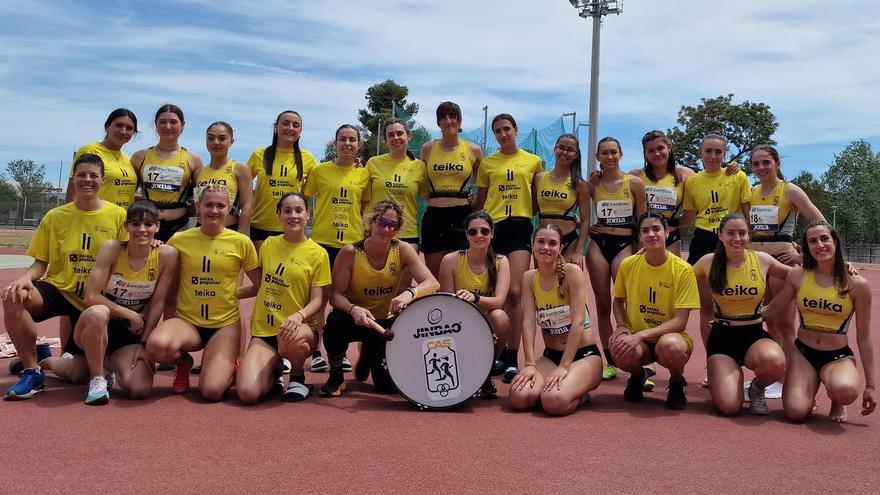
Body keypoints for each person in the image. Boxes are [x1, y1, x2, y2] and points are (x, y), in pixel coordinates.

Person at [4, 154, 127, 400]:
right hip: (61, 290)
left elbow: (133, 254)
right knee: (14, 296)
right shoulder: (55, 216)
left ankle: (44, 358)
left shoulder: (119, 216)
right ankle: (32, 371)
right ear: (73, 179)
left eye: (93, 175)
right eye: (81, 175)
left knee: (79, 375)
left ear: (102, 180)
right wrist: (26, 278)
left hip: (97, 300)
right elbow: (42, 261)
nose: (87, 180)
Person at [40, 201, 177, 404]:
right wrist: (129, 313)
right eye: (135, 224)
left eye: (148, 225)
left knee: (139, 389)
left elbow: (158, 302)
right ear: (126, 227)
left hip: (129, 333)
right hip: (96, 325)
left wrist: (144, 343)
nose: (142, 229)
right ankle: (52, 362)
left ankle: (108, 362)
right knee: (96, 318)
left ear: (157, 227)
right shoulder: (112, 248)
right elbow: (91, 296)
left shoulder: (167, 255)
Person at [145, 184, 261, 401]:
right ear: (198, 206)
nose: (214, 211)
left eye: (220, 206)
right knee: (156, 347)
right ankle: (184, 363)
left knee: (211, 391)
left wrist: (232, 293)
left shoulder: (241, 242)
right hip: (188, 322)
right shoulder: (181, 239)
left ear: (229, 209)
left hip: (224, 325)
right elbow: (157, 263)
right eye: (209, 205)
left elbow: (259, 284)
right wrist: (153, 244)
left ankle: (221, 364)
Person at [319, 200, 439, 397]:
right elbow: (335, 296)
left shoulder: (402, 249)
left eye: (393, 225)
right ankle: (336, 373)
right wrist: (353, 309)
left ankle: (368, 352)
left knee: (387, 389)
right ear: (371, 222)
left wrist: (409, 293)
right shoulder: (350, 252)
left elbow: (432, 283)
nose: (387, 229)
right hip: (356, 319)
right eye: (382, 222)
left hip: (383, 325)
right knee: (334, 323)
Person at [765, 221, 875, 423]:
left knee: (845, 391)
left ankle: (837, 399)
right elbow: (772, 310)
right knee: (795, 412)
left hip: (837, 356)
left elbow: (864, 338)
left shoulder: (857, 284)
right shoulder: (797, 275)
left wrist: (871, 386)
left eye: (825, 238)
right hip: (803, 354)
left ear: (835, 242)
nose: (820, 245)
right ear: (806, 247)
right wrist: (729, 318)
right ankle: (808, 389)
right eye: (812, 241)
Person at [235, 193, 330, 404]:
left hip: (298, 328)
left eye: (298, 210)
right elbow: (261, 285)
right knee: (247, 393)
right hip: (265, 331)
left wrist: (298, 316)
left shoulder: (318, 253)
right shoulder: (268, 245)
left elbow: (317, 300)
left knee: (290, 337)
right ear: (278, 215)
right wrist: (228, 295)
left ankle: (298, 378)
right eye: (287, 211)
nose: (293, 215)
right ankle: (274, 371)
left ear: (308, 215)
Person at [693, 213, 790, 415]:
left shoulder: (762, 260)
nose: (737, 238)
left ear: (749, 236)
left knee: (775, 362)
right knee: (729, 407)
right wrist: (650, 252)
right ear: (720, 235)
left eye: (742, 233)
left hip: (754, 335)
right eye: (731, 233)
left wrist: (836, 265)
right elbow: (676, 276)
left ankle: (756, 389)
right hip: (722, 338)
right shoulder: (707, 262)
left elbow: (797, 277)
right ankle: (728, 378)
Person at [749, 144, 826, 397]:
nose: (761, 168)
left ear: (777, 164)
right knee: (768, 319)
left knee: (784, 323)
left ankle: (791, 380)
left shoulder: (790, 190)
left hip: (782, 262)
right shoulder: (752, 192)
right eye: (756, 164)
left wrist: (802, 254)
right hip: (758, 262)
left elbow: (820, 222)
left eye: (766, 163)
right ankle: (775, 376)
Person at [475, 113, 543, 383]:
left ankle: (512, 356)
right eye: (497, 131)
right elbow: (481, 200)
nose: (503, 134)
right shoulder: (488, 163)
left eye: (506, 129)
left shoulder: (533, 161)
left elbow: (537, 200)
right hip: (494, 228)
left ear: (516, 129)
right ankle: (495, 351)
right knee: (494, 293)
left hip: (520, 228)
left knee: (515, 292)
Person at [509, 224, 602, 415]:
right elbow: (527, 323)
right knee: (519, 397)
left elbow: (577, 323)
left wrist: (564, 366)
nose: (546, 247)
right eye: (541, 242)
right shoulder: (529, 278)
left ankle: (580, 393)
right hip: (552, 355)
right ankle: (555, 389)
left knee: (553, 401)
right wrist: (529, 364)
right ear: (532, 245)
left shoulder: (571, 272)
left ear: (560, 248)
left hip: (583, 356)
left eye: (552, 243)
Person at [610, 213, 700, 409]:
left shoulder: (683, 270)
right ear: (640, 236)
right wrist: (621, 326)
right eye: (645, 231)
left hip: (668, 337)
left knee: (671, 346)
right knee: (618, 348)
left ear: (667, 233)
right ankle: (638, 375)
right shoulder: (628, 265)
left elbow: (680, 322)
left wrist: (640, 335)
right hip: (638, 340)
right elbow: (618, 301)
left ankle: (676, 381)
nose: (651, 234)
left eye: (656, 229)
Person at [303, 124, 371, 372]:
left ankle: (340, 352)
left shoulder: (364, 175)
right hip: (322, 242)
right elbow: (305, 197)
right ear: (335, 143)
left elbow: (363, 208)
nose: (347, 144)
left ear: (358, 145)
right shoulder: (320, 171)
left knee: (346, 299)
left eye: (352, 140)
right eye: (342, 139)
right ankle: (317, 351)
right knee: (319, 300)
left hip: (351, 245)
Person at [585, 137, 647, 381]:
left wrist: (641, 249)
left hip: (624, 245)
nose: (609, 157)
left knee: (628, 303)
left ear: (621, 154)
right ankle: (610, 360)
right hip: (599, 246)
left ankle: (638, 361)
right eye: (604, 153)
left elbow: (642, 220)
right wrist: (589, 228)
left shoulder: (635, 184)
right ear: (598, 157)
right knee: (602, 305)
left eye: (613, 152)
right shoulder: (592, 184)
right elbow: (583, 211)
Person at [438, 210, 511, 398]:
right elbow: (448, 304)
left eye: (484, 231)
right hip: (458, 321)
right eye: (473, 232)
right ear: (466, 235)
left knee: (500, 317)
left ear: (492, 233)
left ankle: (486, 371)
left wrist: (475, 298)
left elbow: (499, 302)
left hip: (486, 320)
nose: (479, 236)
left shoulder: (501, 261)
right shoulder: (451, 260)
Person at [420, 102, 484, 277]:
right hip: (434, 216)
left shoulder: (473, 150)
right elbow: (421, 181)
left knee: (461, 275)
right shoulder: (427, 149)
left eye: (452, 117)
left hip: (462, 215)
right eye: (443, 117)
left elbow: (484, 184)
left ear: (460, 120)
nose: (448, 121)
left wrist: (476, 204)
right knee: (435, 277)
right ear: (438, 122)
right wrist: (431, 200)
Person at [131, 104, 204, 242]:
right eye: (162, 122)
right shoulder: (140, 157)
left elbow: (199, 198)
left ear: (182, 125)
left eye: (173, 122)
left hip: (179, 227)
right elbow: (128, 192)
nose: (168, 126)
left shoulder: (193, 159)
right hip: (146, 226)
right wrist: (147, 202)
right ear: (156, 125)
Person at [247, 110, 318, 246]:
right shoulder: (259, 155)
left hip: (293, 227)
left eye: (295, 125)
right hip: (261, 227)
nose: (290, 128)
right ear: (276, 127)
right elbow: (242, 185)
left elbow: (320, 183)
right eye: (286, 123)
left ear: (300, 131)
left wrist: (353, 164)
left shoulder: (307, 158)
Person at [680, 133, 750, 265]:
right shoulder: (692, 181)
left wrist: (752, 237)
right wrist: (664, 223)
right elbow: (688, 216)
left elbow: (748, 212)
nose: (713, 156)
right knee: (695, 276)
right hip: (703, 236)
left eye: (718, 152)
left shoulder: (738, 176)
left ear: (724, 154)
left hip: (731, 235)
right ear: (700, 153)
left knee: (731, 278)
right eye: (708, 151)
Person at [628, 130, 694, 257]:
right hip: (642, 236)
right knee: (642, 275)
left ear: (669, 147)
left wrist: (729, 169)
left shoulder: (686, 174)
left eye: (660, 148)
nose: (656, 153)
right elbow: (611, 181)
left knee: (670, 275)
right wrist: (597, 176)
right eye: (651, 151)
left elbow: (708, 179)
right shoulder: (634, 176)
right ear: (645, 154)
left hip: (671, 236)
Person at [533, 133, 590, 268]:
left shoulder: (580, 184)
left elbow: (586, 220)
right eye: (561, 147)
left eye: (570, 150)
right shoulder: (539, 178)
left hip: (569, 241)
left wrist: (579, 252)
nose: (565, 152)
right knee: (543, 285)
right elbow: (531, 209)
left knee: (566, 285)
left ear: (576, 155)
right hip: (543, 240)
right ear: (555, 149)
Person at [67, 108, 139, 208]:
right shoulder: (89, 150)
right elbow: (73, 190)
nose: (123, 131)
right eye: (118, 125)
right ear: (107, 126)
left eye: (129, 128)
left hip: (124, 220)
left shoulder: (129, 159)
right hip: (95, 219)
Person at [194, 121, 253, 235]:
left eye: (222, 138)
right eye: (211, 138)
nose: (216, 142)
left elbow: (247, 205)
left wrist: (241, 235)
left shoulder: (239, 169)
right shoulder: (199, 172)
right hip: (201, 230)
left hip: (229, 229)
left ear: (231, 141)